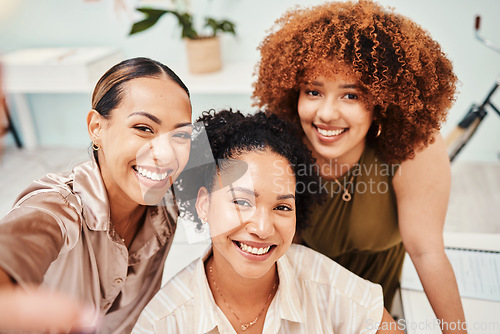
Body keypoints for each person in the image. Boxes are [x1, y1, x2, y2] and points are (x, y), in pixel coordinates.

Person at [252, 1, 467, 333]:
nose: (326, 113)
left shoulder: (414, 148)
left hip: (381, 311)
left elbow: (426, 252)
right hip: (300, 306)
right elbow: (271, 263)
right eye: (313, 91)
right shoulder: (281, 146)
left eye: (350, 96)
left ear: (381, 101)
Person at [133, 110, 403, 334]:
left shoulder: (324, 283)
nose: (263, 228)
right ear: (204, 204)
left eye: (282, 206)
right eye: (241, 202)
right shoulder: (163, 322)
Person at [0, 57, 193, 333]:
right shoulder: (59, 206)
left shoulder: (170, 197)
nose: (165, 155)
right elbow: (14, 247)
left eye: (180, 136)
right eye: (143, 128)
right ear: (96, 128)